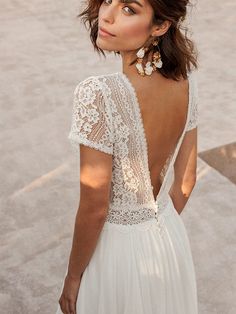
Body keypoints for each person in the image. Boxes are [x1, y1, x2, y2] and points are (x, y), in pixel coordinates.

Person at [56, 0, 199, 313]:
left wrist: (73, 277)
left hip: (116, 253)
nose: (106, 15)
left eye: (129, 9)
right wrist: (152, 228)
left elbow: (95, 205)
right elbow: (186, 181)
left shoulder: (98, 93)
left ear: (160, 26)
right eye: (108, 1)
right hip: (168, 242)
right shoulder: (186, 83)